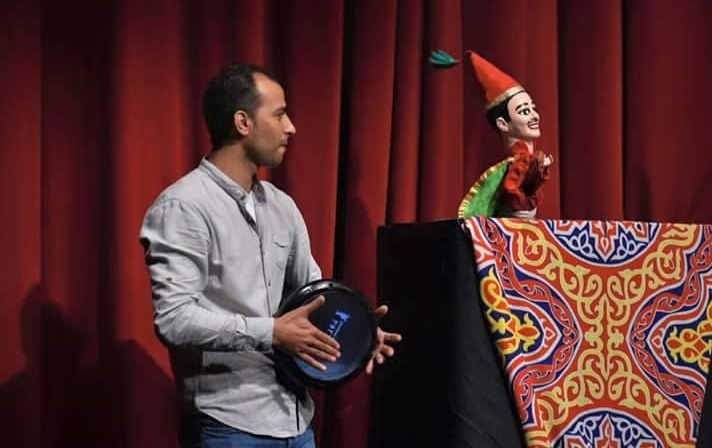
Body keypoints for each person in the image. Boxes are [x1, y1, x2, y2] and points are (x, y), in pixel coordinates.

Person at [139, 63, 401, 447]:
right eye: (279, 114)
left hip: (296, 421)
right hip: (228, 425)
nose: (290, 127)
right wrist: (272, 332)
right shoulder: (183, 206)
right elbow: (175, 320)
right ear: (243, 123)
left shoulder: (282, 206)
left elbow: (315, 294)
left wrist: (359, 334)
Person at [431, 50, 553, 219]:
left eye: (533, 108)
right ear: (503, 124)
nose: (535, 116)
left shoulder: (527, 162)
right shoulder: (514, 167)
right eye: (525, 111)